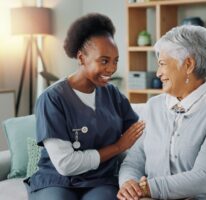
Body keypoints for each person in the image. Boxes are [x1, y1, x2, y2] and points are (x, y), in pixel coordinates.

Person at [25, 13, 145, 200]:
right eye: (104, 61)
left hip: (101, 180)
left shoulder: (112, 94)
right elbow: (65, 164)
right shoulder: (52, 99)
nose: (112, 69)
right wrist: (118, 147)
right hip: (57, 179)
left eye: (115, 61)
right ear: (81, 58)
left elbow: (139, 135)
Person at [118, 25, 206, 200]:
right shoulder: (154, 106)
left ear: (188, 65)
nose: (158, 73)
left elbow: (204, 177)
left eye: (162, 64)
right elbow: (133, 161)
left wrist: (149, 188)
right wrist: (129, 184)